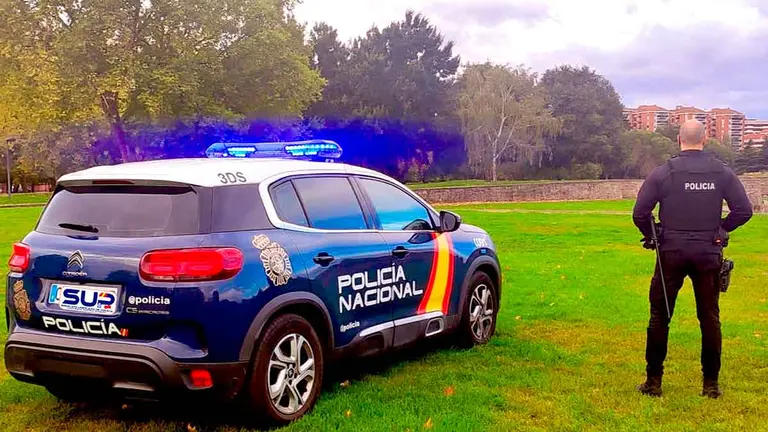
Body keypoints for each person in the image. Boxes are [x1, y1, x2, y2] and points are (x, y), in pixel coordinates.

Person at [632, 119, 753, 398]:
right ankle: (710, 385)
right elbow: (743, 210)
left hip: (670, 252)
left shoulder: (664, 173)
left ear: (678, 139)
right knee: (709, 318)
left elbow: (640, 213)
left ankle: (653, 382)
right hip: (708, 251)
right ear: (705, 139)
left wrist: (655, 233)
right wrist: (721, 229)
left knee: (660, 317)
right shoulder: (721, 173)